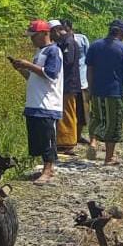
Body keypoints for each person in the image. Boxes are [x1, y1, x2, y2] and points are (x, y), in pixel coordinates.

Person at [10, 20, 63, 184]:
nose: (31, 39)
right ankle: (45, 168)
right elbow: (33, 77)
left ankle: (48, 170)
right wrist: (21, 69)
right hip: (34, 103)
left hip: (47, 104)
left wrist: (29, 65)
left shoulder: (53, 51)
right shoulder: (39, 52)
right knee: (38, 139)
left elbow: (51, 74)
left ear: (45, 34)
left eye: (34, 36)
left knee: (47, 138)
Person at [86, 19, 123, 165]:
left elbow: (89, 70)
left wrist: (90, 90)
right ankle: (109, 158)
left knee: (98, 118)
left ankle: (93, 142)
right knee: (113, 124)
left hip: (97, 91)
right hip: (113, 92)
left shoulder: (95, 46)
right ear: (122, 32)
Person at [49, 19, 80, 156]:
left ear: (56, 30)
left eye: (51, 34)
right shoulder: (63, 42)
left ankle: (68, 142)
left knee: (68, 113)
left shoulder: (68, 42)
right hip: (64, 83)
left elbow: (68, 61)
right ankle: (63, 141)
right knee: (63, 112)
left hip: (69, 83)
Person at [62, 20, 91, 145]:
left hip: (83, 80)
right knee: (70, 112)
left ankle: (78, 136)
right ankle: (70, 138)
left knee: (82, 112)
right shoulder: (61, 43)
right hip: (70, 82)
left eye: (66, 29)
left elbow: (89, 58)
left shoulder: (82, 39)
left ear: (70, 28)